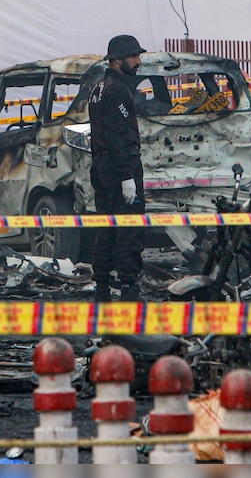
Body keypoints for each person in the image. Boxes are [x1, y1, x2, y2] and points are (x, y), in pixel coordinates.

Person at [89, 34, 148, 302]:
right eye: (133, 56)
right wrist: (127, 176)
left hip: (102, 167)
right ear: (117, 59)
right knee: (128, 228)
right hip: (119, 167)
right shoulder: (119, 91)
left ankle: (102, 286)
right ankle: (129, 289)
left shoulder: (98, 88)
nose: (138, 61)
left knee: (107, 228)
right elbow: (117, 135)